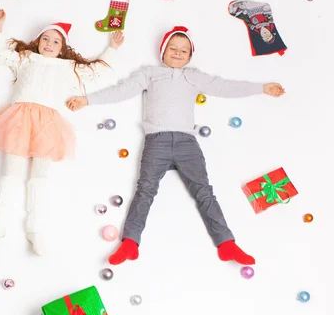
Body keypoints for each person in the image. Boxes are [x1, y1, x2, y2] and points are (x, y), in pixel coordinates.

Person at [67, 26, 285, 265]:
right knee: (145, 190)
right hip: (156, 142)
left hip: (186, 143)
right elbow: (121, 91)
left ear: (190, 55)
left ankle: (227, 244)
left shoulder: (194, 76)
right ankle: (130, 243)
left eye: (184, 50)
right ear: (163, 51)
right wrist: (87, 100)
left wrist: (262, 88)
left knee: (204, 192)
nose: (178, 53)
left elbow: (225, 87)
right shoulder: (150, 73)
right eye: (173, 48)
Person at [0, 9, 125, 255]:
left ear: (63, 48)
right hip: (18, 119)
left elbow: (97, 73)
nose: (50, 44)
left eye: (56, 41)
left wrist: (112, 47)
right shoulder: (26, 58)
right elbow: (0, 55)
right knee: (10, 173)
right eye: (46, 39)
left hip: (47, 125)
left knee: (39, 177)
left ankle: (35, 230)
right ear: (38, 42)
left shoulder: (68, 66)